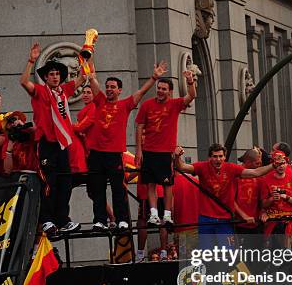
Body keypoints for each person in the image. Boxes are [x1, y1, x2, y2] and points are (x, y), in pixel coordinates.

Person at [86, 62, 168, 231]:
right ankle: (100, 220)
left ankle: (123, 220)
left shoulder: (125, 105)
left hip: (114, 154)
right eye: (107, 86)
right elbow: (93, 80)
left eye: (113, 87)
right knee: (98, 189)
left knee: (118, 189)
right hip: (96, 154)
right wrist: (88, 53)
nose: (109, 89)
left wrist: (154, 77)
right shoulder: (100, 100)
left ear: (119, 90)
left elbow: (142, 92)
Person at [19, 43, 89, 234]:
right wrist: (31, 61)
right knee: (48, 182)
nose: (55, 76)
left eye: (57, 74)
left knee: (65, 183)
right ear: (46, 77)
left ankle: (63, 220)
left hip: (63, 144)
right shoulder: (41, 92)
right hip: (47, 143)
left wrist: (86, 57)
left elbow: (84, 77)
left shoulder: (64, 91)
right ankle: (47, 220)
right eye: (51, 74)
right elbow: (24, 82)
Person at [174, 144, 284, 249]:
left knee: (228, 252)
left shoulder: (231, 168)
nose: (218, 159)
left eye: (220, 156)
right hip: (206, 218)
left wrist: (273, 165)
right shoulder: (202, 167)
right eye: (215, 156)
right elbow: (182, 167)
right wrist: (177, 156)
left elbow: (255, 172)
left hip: (225, 219)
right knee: (207, 253)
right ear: (209, 158)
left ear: (225, 157)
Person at [135, 72, 197, 227]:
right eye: (159, 88)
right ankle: (154, 214)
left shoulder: (175, 104)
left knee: (167, 184)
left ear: (170, 91)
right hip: (149, 150)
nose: (160, 91)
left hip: (165, 151)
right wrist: (138, 150)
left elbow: (191, 95)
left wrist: (190, 81)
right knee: (150, 183)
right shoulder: (147, 104)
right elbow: (139, 126)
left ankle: (167, 215)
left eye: (164, 89)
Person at [258, 150, 292, 246]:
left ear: (287, 164)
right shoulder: (265, 180)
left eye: (283, 163)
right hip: (273, 220)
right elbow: (263, 203)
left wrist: (287, 197)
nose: (281, 166)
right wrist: (272, 199)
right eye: (278, 164)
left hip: (291, 219)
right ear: (273, 164)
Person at [233, 148, 262, 235]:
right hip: (239, 224)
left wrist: (263, 211)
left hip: (257, 223)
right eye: (257, 163)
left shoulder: (260, 175)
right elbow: (230, 199)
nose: (259, 165)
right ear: (248, 162)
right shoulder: (236, 175)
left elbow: (263, 198)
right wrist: (244, 216)